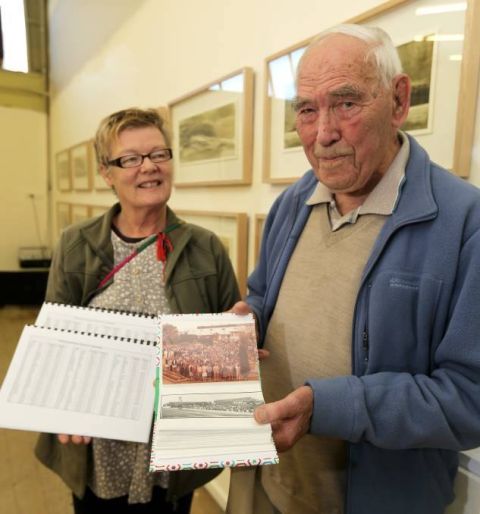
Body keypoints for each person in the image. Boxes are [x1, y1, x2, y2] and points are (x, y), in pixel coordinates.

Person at [227, 24, 480, 514]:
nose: (323, 134)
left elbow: (470, 398)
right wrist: (248, 318)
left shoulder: (465, 221)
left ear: (399, 100)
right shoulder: (292, 202)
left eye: (346, 103)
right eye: (306, 110)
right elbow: (264, 294)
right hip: (269, 484)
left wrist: (327, 407)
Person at [35, 107, 241, 513]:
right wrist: (61, 406)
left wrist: (238, 345)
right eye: (130, 159)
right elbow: (54, 345)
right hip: (99, 449)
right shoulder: (75, 244)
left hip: (171, 449)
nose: (148, 167)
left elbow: (227, 362)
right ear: (106, 173)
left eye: (158, 154)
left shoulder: (206, 248)